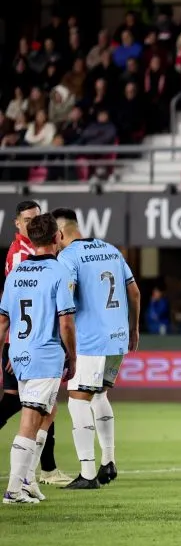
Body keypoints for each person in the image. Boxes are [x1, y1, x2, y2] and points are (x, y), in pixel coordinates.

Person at [53, 208, 141, 489]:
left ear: (60, 233)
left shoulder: (67, 257)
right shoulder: (111, 250)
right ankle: (109, 461)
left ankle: (88, 473)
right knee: (100, 395)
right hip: (116, 338)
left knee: (78, 401)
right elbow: (134, 292)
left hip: (90, 340)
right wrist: (134, 328)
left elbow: (65, 302)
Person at [0, 214, 77, 504]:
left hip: (18, 353)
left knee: (48, 412)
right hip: (45, 352)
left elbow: (3, 322)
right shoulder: (59, 272)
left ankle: (29, 480)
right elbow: (66, 323)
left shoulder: (16, 273)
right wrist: (72, 356)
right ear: (57, 237)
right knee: (31, 418)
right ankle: (14, 490)